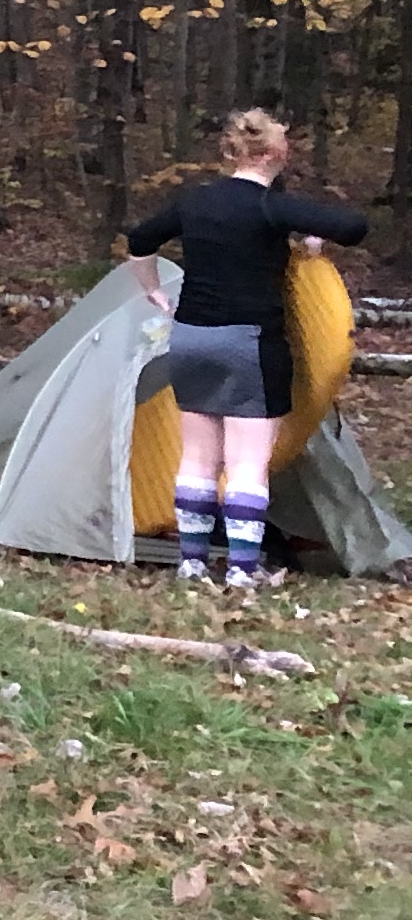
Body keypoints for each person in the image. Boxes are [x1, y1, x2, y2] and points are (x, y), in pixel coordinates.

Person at [127, 108, 370, 585]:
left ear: (230, 153)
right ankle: (241, 569)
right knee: (246, 462)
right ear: (275, 154)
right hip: (250, 344)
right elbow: (355, 226)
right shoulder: (271, 207)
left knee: (197, 457)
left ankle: (192, 563)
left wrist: (152, 291)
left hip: (191, 338)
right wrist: (314, 236)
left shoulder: (194, 203)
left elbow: (140, 240)